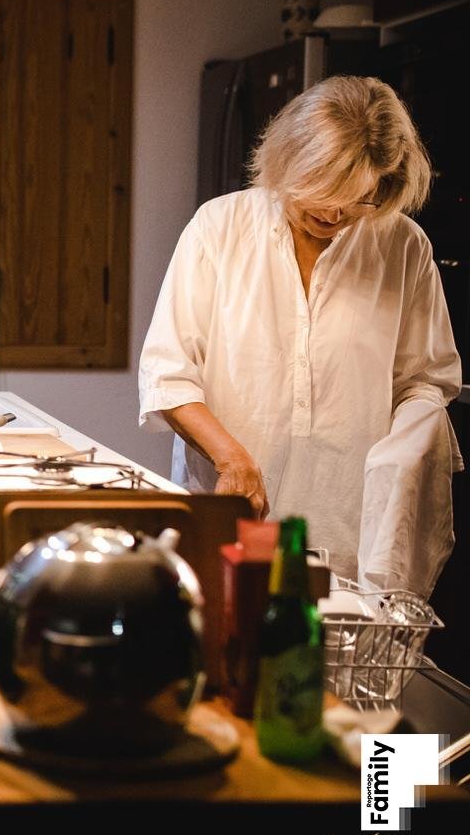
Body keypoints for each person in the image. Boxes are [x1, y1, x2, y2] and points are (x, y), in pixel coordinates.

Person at [139, 75, 461, 595]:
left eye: (357, 200)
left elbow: (423, 381)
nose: (333, 215)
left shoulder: (403, 247)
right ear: (288, 162)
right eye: (321, 194)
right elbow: (167, 375)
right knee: (228, 629)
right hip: (232, 517)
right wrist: (232, 458)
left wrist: (401, 469)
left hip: (347, 527)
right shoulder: (218, 228)